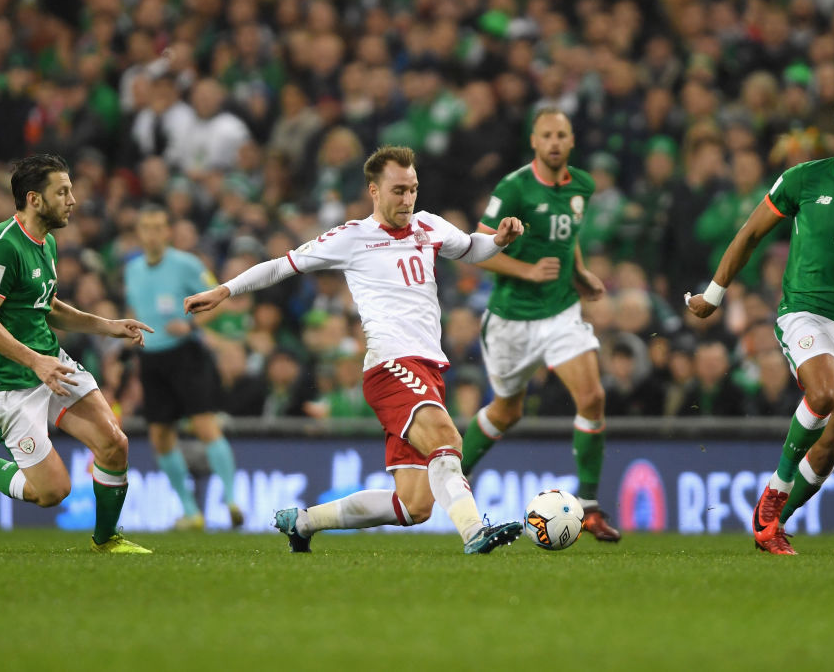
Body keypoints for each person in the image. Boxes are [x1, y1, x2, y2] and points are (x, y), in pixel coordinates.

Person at [184, 145, 525, 554]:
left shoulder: (429, 226)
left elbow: (471, 248)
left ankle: (304, 522)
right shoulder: (352, 237)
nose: (408, 199)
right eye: (398, 190)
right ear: (374, 191)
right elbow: (282, 265)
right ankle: (474, 532)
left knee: (414, 505)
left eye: (413, 189)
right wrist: (225, 290)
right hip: (391, 364)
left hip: (428, 368)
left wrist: (498, 240)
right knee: (446, 438)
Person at [687, 97, 834, 555]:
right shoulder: (803, 179)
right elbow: (750, 234)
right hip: (803, 311)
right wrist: (713, 294)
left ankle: (772, 526)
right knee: (823, 393)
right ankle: (775, 491)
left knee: (831, 449)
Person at [0, 153, 154, 553]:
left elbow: (46, 306)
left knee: (114, 443)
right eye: (63, 192)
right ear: (34, 199)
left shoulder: (47, 242)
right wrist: (35, 362)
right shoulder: (1, 246)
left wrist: (108, 325)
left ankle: (106, 541)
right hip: (7, 382)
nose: (73, 200)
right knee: (51, 492)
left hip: (50, 363)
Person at [458, 107, 621, 542]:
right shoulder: (513, 188)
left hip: (561, 312)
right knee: (507, 412)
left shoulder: (582, 185)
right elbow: (479, 248)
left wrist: (579, 273)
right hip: (511, 320)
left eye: (561, 135)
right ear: (534, 140)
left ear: (571, 141)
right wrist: (526, 271)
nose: (554, 142)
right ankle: (454, 475)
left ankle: (589, 506)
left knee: (592, 397)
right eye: (546, 135)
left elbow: (568, 236)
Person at [123, 205, 244, 531]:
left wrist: (191, 326)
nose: (152, 234)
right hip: (151, 357)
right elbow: (135, 307)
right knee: (160, 436)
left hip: (185, 355)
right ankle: (192, 512)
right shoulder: (132, 269)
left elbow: (220, 302)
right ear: (139, 233)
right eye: (146, 227)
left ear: (167, 232)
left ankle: (231, 498)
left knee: (204, 425)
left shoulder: (187, 264)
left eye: (158, 227)